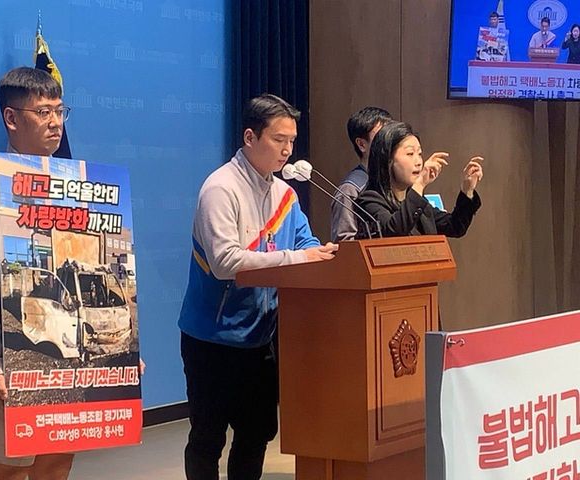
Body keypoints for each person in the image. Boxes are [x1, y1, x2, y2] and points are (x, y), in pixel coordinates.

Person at [177, 93, 337, 480]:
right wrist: (297, 259)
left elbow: (306, 245)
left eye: (292, 141)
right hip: (212, 339)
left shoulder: (285, 194)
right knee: (208, 437)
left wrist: (323, 256)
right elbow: (225, 263)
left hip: (260, 337)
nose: (287, 150)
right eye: (278, 140)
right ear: (250, 137)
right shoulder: (221, 188)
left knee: (256, 434)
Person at [0, 67, 74, 480]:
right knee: (6, 470)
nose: (55, 122)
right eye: (43, 112)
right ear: (11, 118)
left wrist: (123, 354)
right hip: (13, 362)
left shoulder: (73, 189)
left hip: (66, 363)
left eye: (60, 111)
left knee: (56, 465)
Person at [354, 121, 483, 239]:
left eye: (419, 154)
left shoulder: (418, 203)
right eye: (410, 154)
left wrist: (467, 190)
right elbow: (392, 232)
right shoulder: (369, 200)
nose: (418, 162)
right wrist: (420, 184)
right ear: (387, 159)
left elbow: (455, 227)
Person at [330, 106, 392, 242]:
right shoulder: (350, 189)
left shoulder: (397, 181)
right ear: (362, 144)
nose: (388, 142)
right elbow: (345, 243)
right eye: (381, 136)